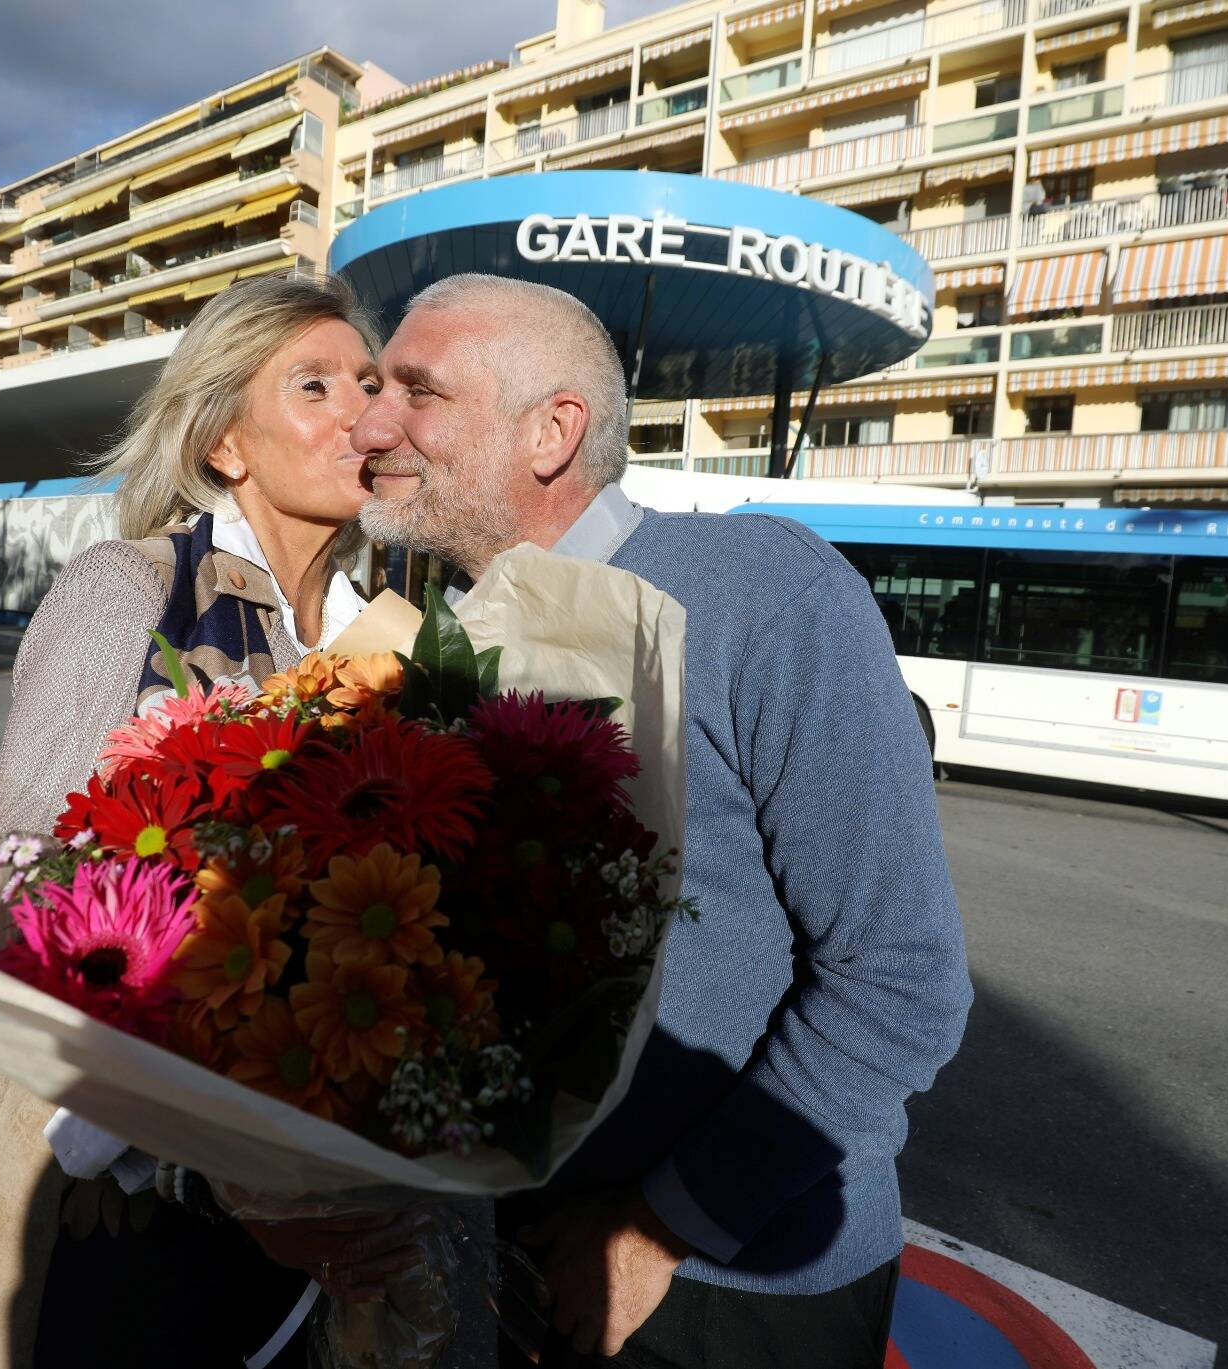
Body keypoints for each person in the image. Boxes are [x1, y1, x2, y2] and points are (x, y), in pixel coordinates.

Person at [345, 274, 973, 1367]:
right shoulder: (430, 649)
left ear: (552, 430)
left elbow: (898, 979)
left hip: (729, 1287)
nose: (369, 424)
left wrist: (657, 1227)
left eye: (416, 391)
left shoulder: (760, 594)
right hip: (510, 1256)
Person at [0, 274, 418, 1369]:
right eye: (313, 385)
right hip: (120, 1194)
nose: (362, 413)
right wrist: (193, 1164)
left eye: (369, 384)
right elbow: (22, 899)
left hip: (319, 1199)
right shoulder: (131, 591)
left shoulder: (395, 639)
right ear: (225, 443)